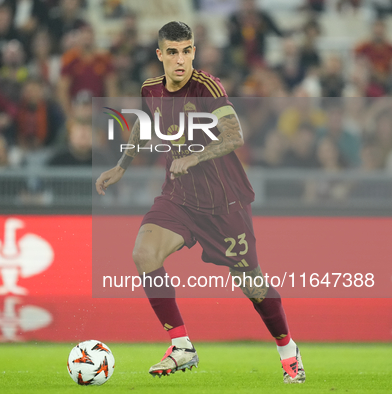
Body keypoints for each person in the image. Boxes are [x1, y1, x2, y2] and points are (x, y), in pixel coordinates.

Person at [95, 22, 305, 383]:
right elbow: (145, 128)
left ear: (194, 51)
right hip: (178, 197)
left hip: (224, 202)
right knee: (144, 254)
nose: (181, 60)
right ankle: (181, 346)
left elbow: (234, 135)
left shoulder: (207, 87)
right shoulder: (150, 90)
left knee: (252, 285)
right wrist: (122, 165)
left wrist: (193, 156)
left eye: (188, 50)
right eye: (173, 52)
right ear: (160, 55)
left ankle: (288, 352)